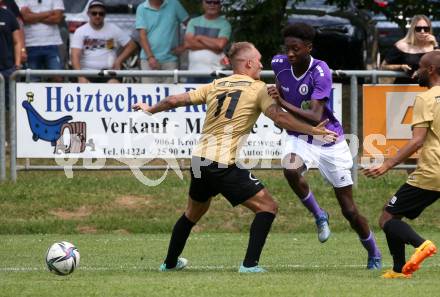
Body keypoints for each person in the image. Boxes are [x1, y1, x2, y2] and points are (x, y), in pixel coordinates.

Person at [132, 41, 337, 273]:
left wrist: (150, 109)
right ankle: (249, 265)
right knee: (268, 207)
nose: (261, 64)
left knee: (193, 212)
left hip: (199, 160)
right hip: (221, 164)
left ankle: (169, 264)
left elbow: (173, 101)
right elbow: (281, 119)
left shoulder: (216, 85)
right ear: (249, 63)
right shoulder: (257, 88)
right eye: (258, 60)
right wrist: (314, 131)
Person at [268, 22, 382, 269]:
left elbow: (315, 114)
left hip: (328, 139)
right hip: (299, 137)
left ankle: (373, 251)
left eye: (295, 49)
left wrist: (282, 105)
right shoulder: (278, 63)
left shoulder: (321, 71)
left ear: (308, 47)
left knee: (350, 211)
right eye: (287, 48)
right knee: (289, 168)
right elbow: (282, 87)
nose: (290, 54)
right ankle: (319, 214)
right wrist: (278, 99)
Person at [364, 50, 439, 279]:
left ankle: (421, 245)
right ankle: (399, 270)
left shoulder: (425, 99)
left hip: (433, 171)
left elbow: (417, 140)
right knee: (393, 213)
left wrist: (388, 164)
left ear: (431, 70)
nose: (416, 71)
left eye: (420, 67)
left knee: (387, 217)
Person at [70, 0, 131, 83]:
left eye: (101, 13)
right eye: (94, 13)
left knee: (114, 84)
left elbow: (131, 45)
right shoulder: (80, 31)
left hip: (107, 71)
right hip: (86, 71)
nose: (97, 16)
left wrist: (119, 60)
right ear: (88, 14)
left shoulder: (113, 29)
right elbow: (74, 55)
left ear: (104, 15)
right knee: (83, 83)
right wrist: (80, 75)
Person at [135, 0, 189, 84]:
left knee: (171, 95)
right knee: (149, 93)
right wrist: (150, 57)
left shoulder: (174, 4)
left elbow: (190, 24)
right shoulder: (141, 8)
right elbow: (142, 36)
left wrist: (184, 45)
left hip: (171, 59)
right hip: (147, 60)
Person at [381, 15, 438, 84]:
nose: (422, 31)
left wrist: (435, 45)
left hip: (428, 89)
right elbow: (383, 66)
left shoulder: (434, 46)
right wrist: (401, 67)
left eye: (426, 29)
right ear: (412, 29)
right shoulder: (401, 45)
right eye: (418, 28)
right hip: (403, 89)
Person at [184, 0, 231, 83]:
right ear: (203, 3)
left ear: (220, 5)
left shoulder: (225, 24)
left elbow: (220, 45)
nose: (212, 5)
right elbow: (188, 43)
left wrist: (200, 37)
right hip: (192, 72)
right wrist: (214, 47)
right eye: (209, 2)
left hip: (215, 73)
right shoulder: (193, 22)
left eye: (216, 2)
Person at [16, 0, 64, 81]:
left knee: (57, 77)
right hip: (30, 44)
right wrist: (48, 13)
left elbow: (57, 19)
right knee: (32, 80)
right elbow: (26, 17)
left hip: (52, 44)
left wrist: (33, 15)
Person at [0, 3, 22, 109]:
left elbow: (17, 42)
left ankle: (8, 126)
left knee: (10, 105)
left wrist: (17, 64)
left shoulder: (8, 15)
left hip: (7, 68)